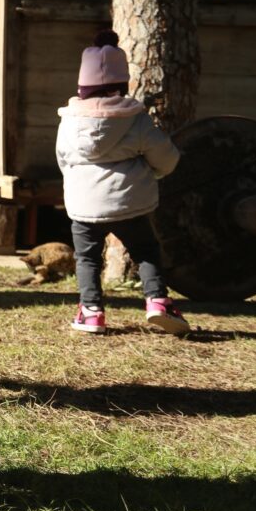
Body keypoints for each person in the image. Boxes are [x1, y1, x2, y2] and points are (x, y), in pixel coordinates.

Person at [56, 31, 188, 335]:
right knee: (145, 250)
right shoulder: (136, 118)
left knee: (87, 258)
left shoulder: (70, 119)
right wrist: (151, 174)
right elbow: (166, 157)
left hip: (83, 204)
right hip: (130, 202)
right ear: (122, 82)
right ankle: (157, 302)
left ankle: (91, 312)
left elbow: (63, 159)